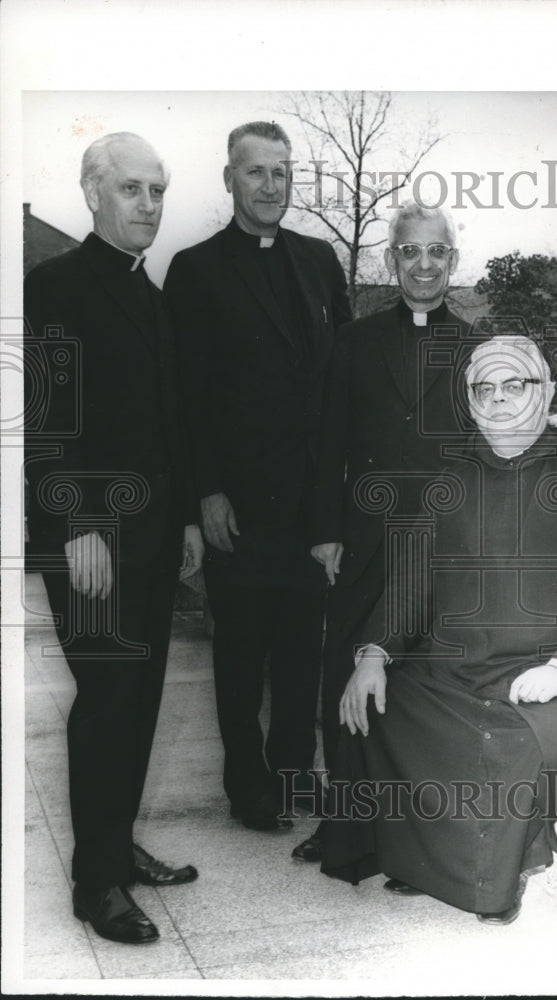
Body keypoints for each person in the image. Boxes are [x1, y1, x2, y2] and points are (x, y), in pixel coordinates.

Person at [320, 335, 557, 924]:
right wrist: (375, 651)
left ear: (548, 390)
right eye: (483, 389)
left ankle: (486, 878)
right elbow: (412, 580)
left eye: (515, 385)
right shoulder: (452, 476)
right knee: (378, 706)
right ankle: (430, 860)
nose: (499, 400)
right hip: (457, 669)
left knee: (513, 738)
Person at [24, 132, 204, 945]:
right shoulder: (56, 285)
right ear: (92, 192)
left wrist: (190, 522)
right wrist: (80, 527)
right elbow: (50, 423)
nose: (150, 205)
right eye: (132, 189)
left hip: (155, 544)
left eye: (158, 191)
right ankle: (95, 885)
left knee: (138, 705)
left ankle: (113, 846)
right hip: (91, 544)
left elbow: (169, 427)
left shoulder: (151, 294)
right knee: (106, 705)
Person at [164, 121, 352, 831]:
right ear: (229, 179)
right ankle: (248, 787)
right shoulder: (196, 269)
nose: (271, 185)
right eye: (256, 173)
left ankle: (297, 776)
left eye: (282, 171)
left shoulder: (320, 260)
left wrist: (335, 502)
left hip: (307, 499)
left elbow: (337, 381)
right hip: (237, 501)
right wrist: (205, 489)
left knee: (304, 651)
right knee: (240, 656)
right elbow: (184, 397)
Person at [292, 203, 471, 861]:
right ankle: (344, 822)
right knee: (345, 669)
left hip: (442, 548)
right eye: (409, 251)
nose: (423, 264)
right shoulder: (354, 341)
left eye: (436, 252)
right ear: (391, 259)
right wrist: (324, 531)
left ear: (453, 261)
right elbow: (325, 444)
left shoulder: (479, 350)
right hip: (363, 541)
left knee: (425, 686)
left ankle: (419, 838)